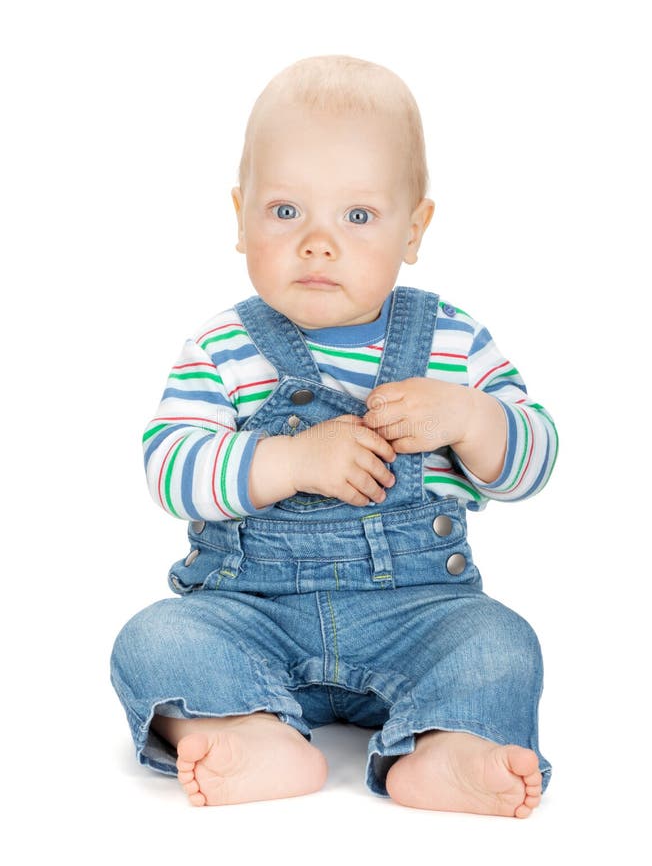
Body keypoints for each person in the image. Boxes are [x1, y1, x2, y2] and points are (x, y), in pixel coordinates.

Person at [110, 54, 558, 818]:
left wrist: (471, 418)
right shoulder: (224, 347)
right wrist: (287, 461)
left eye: (357, 216)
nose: (318, 243)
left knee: (499, 643)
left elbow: (533, 458)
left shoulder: (451, 341)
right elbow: (170, 465)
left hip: (419, 613)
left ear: (414, 228)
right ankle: (249, 726)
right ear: (240, 213)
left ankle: (448, 744)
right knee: (152, 640)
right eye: (285, 212)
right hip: (251, 611)